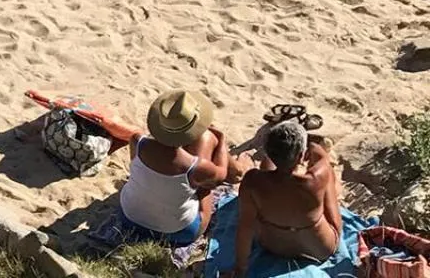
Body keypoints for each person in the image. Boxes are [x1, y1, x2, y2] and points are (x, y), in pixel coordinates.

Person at [119, 90, 246, 244]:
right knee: (206, 185)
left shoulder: (137, 141)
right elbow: (221, 174)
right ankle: (240, 169)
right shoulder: (196, 166)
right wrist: (221, 140)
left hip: (128, 219)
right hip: (178, 233)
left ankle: (238, 170)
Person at [233, 120, 343, 271]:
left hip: (273, 245)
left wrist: (240, 268)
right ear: (301, 156)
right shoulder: (316, 179)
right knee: (329, 174)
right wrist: (313, 145)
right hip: (319, 248)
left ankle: (282, 156)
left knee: (267, 167)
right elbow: (321, 158)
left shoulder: (252, 181)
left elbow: (245, 228)